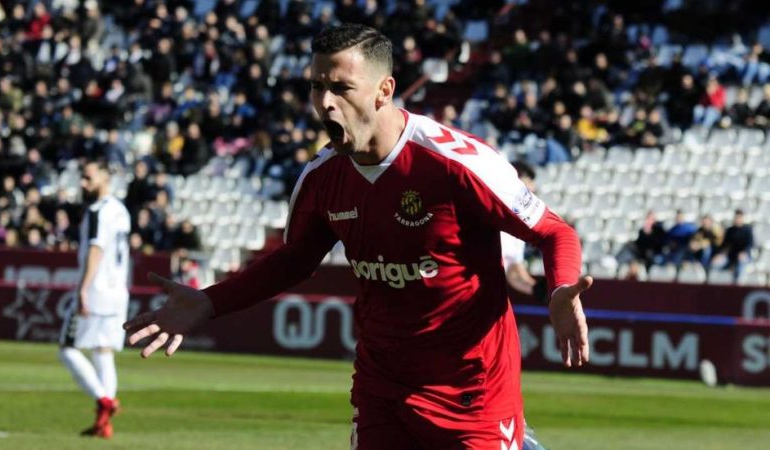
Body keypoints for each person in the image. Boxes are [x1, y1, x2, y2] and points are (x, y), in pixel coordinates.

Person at [125, 24, 591, 450]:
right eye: (316, 86)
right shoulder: (322, 178)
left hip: (471, 392)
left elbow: (554, 231)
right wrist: (210, 302)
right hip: (380, 387)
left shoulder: (454, 163)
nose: (325, 102)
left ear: (383, 91)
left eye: (341, 88)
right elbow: (292, 261)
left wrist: (561, 288)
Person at [59, 161, 131, 439]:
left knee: (67, 349)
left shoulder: (98, 211)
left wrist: (83, 288)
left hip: (98, 291)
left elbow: (96, 250)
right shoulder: (121, 210)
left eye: (88, 178)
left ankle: (105, 401)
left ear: (104, 177)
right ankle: (104, 424)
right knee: (103, 353)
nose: (83, 184)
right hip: (118, 293)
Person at [500, 160, 539, 297]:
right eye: (528, 181)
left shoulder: (520, 221)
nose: (533, 188)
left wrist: (539, 292)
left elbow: (513, 272)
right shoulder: (495, 210)